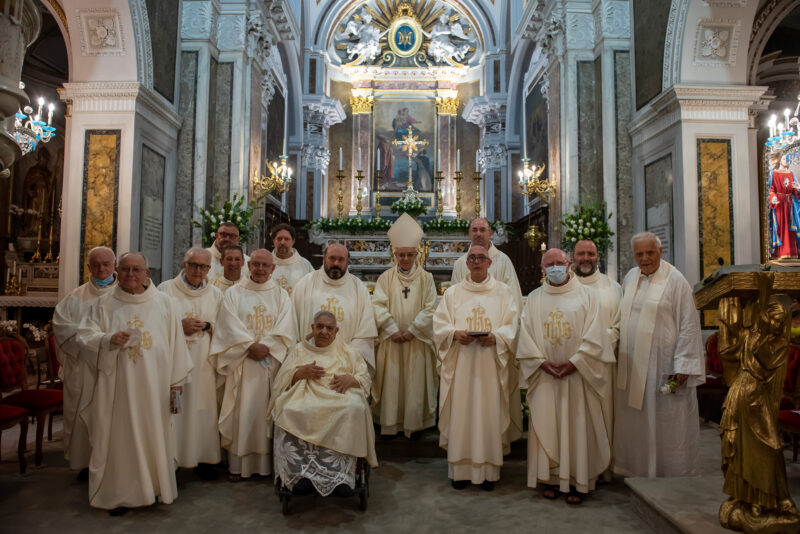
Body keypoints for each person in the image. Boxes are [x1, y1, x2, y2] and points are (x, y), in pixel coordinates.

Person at [77, 252, 192, 515]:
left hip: (155, 385)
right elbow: (84, 336)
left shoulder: (165, 303)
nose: (131, 274)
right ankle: (121, 495)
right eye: (125, 269)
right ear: (117, 271)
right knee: (120, 438)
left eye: (136, 269)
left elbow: (176, 345)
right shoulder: (103, 303)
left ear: (146, 272)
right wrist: (107, 340)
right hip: (117, 387)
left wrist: (176, 382)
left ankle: (155, 488)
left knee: (154, 434)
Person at [517, 248, 613, 504]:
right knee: (547, 424)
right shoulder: (534, 298)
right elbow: (525, 335)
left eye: (559, 262)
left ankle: (578, 482)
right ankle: (550, 479)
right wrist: (540, 362)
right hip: (546, 376)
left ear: (569, 264)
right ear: (542, 269)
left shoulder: (588, 296)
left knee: (577, 427)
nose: (555, 267)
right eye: (549, 264)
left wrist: (576, 362)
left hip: (578, 377)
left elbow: (596, 334)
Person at [614, 232, 705, 477]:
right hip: (633, 367)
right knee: (637, 421)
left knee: (665, 421)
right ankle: (638, 470)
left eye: (649, 253)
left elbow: (688, 323)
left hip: (663, 367)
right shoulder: (630, 277)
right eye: (639, 254)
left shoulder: (675, 280)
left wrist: (683, 364)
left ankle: (670, 473)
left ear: (660, 252)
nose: (645, 259)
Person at [433, 245, 520, 490]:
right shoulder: (453, 293)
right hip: (461, 365)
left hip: (490, 365)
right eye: (472, 258)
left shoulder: (503, 292)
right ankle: (460, 471)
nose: (477, 262)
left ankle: (489, 473)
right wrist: (454, 334)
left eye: (481, 258)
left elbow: (512, 324)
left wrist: (497, 337)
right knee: (461, 413)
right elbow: (439, 325)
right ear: (466, 263)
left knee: (488, 413)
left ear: (490, 262)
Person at [210, 249, 296, 481]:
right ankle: (237, 466)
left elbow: (285, 326)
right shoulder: (234, 293)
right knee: (242, 413)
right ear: (249, 265)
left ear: (273, 268)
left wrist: (266, 346)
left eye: (265, 265)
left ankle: (266, 466)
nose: (259, 269)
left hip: (270, 363)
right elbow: (228, 324)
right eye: (256, 264)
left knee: (266, 414)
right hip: (242, 362)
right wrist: (250, 346)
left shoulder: (281, 295)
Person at [272, 311, 377, 497]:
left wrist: (351, 380)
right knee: (288, 409)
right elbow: (281, 380)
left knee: (355, 408)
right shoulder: (299, 350)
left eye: (329, 328)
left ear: (336, 331)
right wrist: (299, 373)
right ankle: (302, 477)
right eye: (319, 326)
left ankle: (341, 478)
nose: (324, 331)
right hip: (306, 396)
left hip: (339, 397)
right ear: (312, 328)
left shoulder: (347, 351)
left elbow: (364, 377)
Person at [450, 217, 523, 441]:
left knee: (495, 398)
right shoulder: (460, 263)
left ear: (490, 233)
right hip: (465, 348)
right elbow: (452, 303)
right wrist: (456, 333)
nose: (478, 234)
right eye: (474, 230)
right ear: (469, 233)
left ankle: (498, 443)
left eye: (483, 229)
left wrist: (499, 337)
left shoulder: (503, 261)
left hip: (494, 348)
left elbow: (514, 304)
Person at [52, 246, 117, 481]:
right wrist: (94, 340)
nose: (101, 269)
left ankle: (114, 463)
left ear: (114, 265)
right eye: (96, 265)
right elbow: (61, 328)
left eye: (106, 264)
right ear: (88, 267)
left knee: (112, 417)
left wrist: (103, 340)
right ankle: (85, 464)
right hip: (82, 368)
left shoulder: (125, 295)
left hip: (113, 368)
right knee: (81, 415)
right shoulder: (74, 298)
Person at [158, 248, 223, 480]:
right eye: (193, 265)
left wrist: (207, 326)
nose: (198, 270)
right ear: (184, 264)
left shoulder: (216, 293)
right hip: (175, 362)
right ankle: (173, 461)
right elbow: (155, 323)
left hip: (204, 362)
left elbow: (225, 327)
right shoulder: (165, 290)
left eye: (203, 266)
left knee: (203, 410)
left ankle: (204, 459)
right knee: (176, 411)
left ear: (209, 269)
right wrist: (179, 326)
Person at [372, 214, 438, 439]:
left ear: (417, 254)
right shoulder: (385, 278)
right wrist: (392, 329)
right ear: (395, 254)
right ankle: (390, 423)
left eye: (410, 254)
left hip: (416, 341)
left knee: (414, 384)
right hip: (391, 341)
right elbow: (377, 305)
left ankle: (414, 423)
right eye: (401, 254)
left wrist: (412, 330)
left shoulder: (426, 279)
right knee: (392, 384)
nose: (406, 259)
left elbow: (431, 307)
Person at [572, 238, 621, 473]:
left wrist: (591, 348)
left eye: (590, 254)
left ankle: (601, 470)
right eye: (581, 254)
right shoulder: (562, 287)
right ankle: (573, 468)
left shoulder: (613, 288)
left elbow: (618, 327)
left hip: (601, 367)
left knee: (601, 418)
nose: (586, 259)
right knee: (574, 421)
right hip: (570, 367)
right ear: (572, 257)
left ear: (597, 256)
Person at [292, 243, 378, 372]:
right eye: (332, 258)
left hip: (345, 366)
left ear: (347, 262)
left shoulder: (359, 288)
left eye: (341, 259)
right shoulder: (304, 284)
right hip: (309, 363)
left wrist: (347, 361)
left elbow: (365, 332)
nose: (336, 263)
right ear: (324, 259)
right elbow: (293, 326)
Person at [769, 153, 800, 258]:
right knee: (780, 228)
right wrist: (773, 197)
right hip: (779, 204)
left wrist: (798, 189)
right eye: (783, 159)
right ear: (779, 160)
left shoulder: (791, 174)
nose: (786, 160)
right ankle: (780, 254)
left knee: (790, 229)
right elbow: (771, 189)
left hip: (790, 205)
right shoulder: (774, 173)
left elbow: (796, 193)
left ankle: (792, 254)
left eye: (787, 159)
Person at [270, 223, 313, 296]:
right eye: (279, 239)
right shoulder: (264, 264)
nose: (282, 242)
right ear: (274, 241)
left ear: (293, 241)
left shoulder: (305, 264)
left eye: (286, 239)